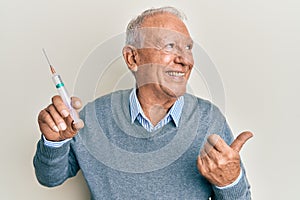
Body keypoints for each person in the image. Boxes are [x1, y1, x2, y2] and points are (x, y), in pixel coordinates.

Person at [34, 6, 253, 199]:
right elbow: (50, 178)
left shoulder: (209, 120)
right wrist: (54, 142)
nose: (185, 60)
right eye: (169, 46)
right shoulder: (92, 118)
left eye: (187, 48)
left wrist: (230, 182)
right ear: (133, 58)